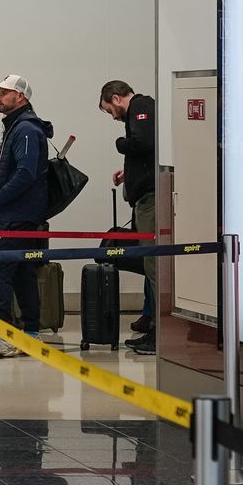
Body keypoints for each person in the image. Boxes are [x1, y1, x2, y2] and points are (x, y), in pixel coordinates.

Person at [0, 74, 53, 359]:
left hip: (21, 216)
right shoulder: (16, 127)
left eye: (4, 92)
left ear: (21, 97)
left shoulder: (25, 129)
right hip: (18, 214)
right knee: (22, 272)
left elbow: (26, 173)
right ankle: (31, 333)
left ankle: (4, 336)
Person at [99, 80, 158, 354]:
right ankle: (152, 322)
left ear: (116, 98)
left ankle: (158, 332)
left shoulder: (141, 106)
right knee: (149, 264)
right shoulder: (138, 111)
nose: (112, 116)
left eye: (109, 110)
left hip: (150, 201)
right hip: (143, 198)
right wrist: (129, 171)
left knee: (154, 265)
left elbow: (143, 142)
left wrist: (120, 144)